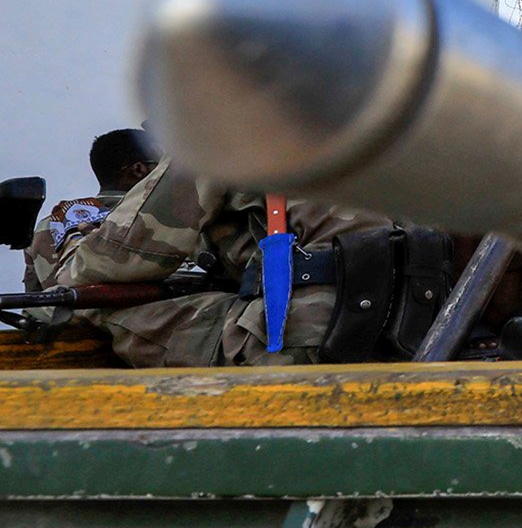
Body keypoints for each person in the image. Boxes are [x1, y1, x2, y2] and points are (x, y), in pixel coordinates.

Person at [34, 145, 445, 368]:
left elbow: (124, 257)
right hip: (416, 334)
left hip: (306, 340)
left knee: (94, 306)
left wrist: (68, 265)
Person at [21, 128, 161, 293]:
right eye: (164, 168)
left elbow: (34, 302)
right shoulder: (163, 220)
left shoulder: (49, 224)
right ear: (138, 170)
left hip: (68, 316)